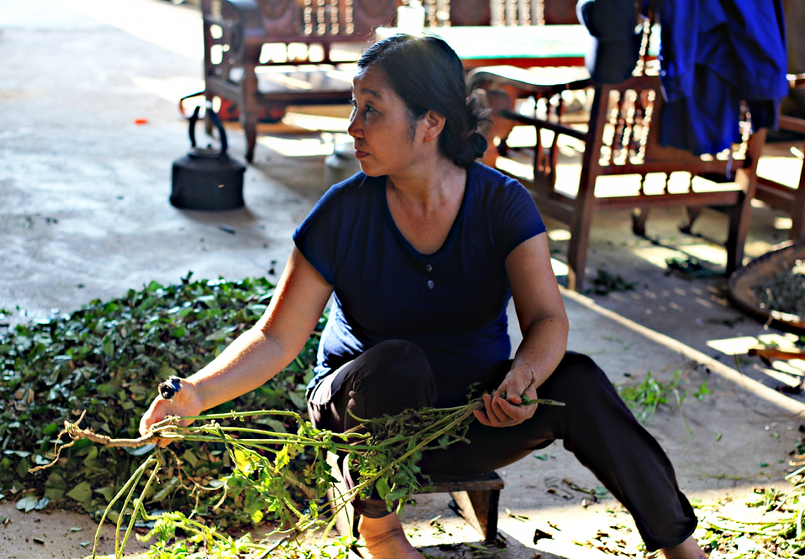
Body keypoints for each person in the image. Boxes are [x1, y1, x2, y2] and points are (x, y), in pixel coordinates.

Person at [140, 34, 706, 559]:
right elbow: (276, 336)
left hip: (469, 417)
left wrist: (523, 382)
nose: (353, 127)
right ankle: (379, 529)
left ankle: (680, 545)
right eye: (355, 106)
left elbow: (546, 319)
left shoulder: (501, 204)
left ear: (431, 123)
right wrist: (194, 394)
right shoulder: (342, 212)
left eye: (372, 109)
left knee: (577, 379)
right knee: (399, 362)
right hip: (361, 420)